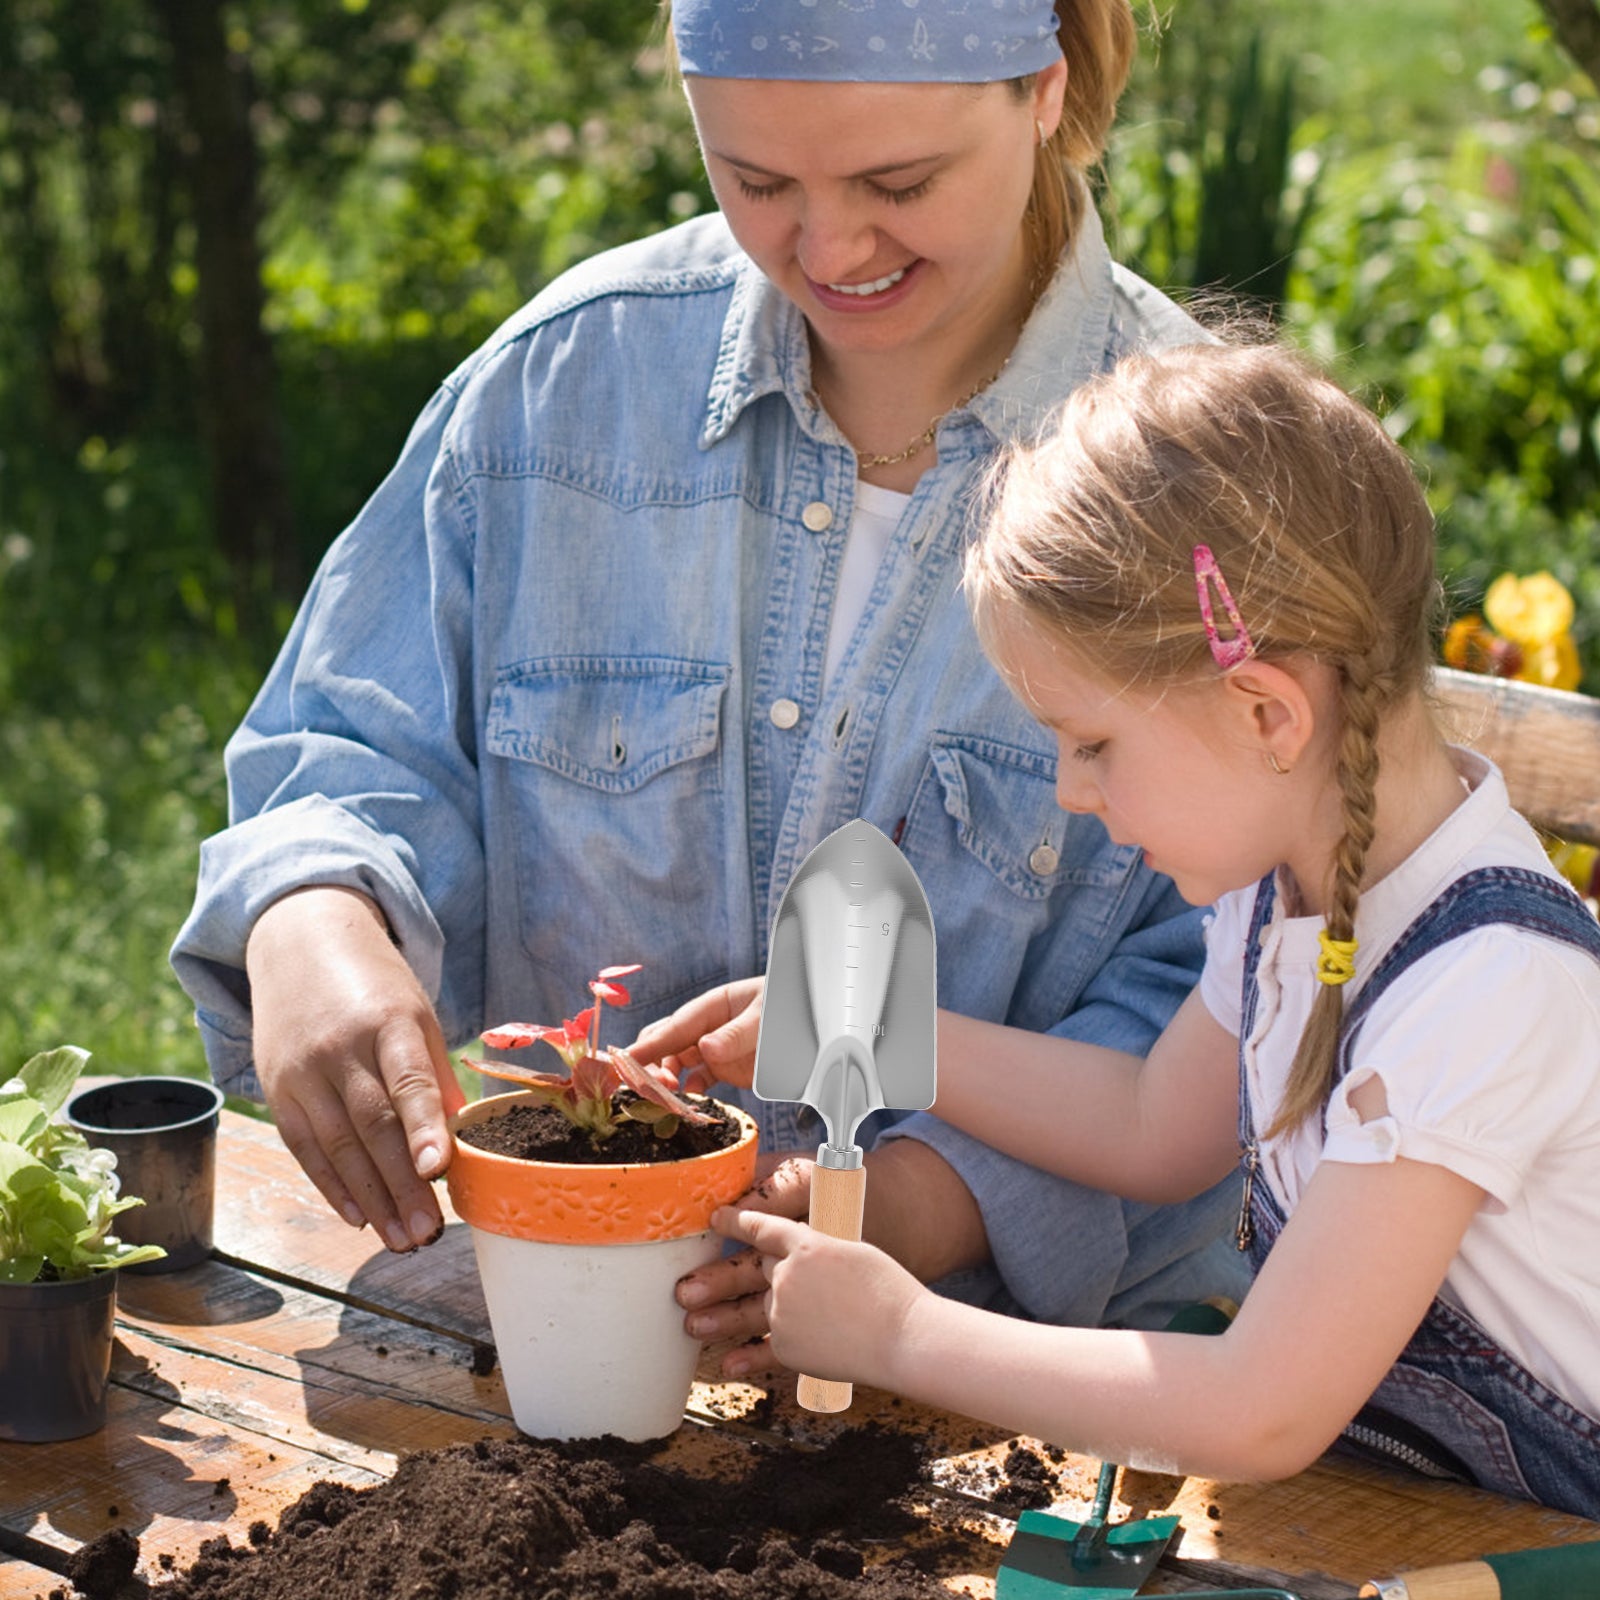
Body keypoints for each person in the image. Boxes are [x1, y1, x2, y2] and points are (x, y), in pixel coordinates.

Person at [170, 0, 1245, 1328]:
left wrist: (902, 1210)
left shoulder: (1209, 489)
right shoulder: (564, 391)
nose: (832, 246)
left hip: (1031, 1369)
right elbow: (353, 745)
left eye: (898, 183)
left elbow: (1238, 979)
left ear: (1041, 85)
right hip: (560, 1325)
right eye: (756, 182)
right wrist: (313, 929)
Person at [691, 341, 1600, 1518]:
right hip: (1429, 1515)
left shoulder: (1483, 988)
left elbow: (1253, 1408)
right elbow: (1148, 1127)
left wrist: (899, 1331)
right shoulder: (1289, 895)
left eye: (1094, 743)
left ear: (1266, 710)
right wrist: (872, 1021)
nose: (1073, 790)